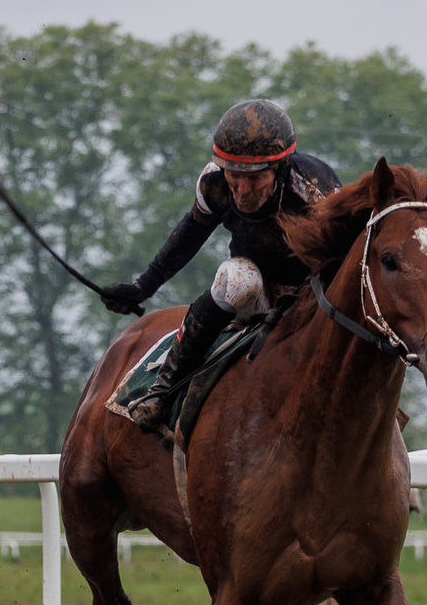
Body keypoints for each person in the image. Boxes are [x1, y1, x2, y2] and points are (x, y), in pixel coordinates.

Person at [100, 98, 341, 430]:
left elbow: (347, 258)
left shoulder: (314, 189)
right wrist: (144, 286)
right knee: (238, 278)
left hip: (312, 297)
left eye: (254, 177)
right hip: (256, 292)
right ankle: (163, 389)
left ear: (281, 168)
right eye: (234, 175)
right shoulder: (214, 183)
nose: (241, 190)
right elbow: (191, 232)